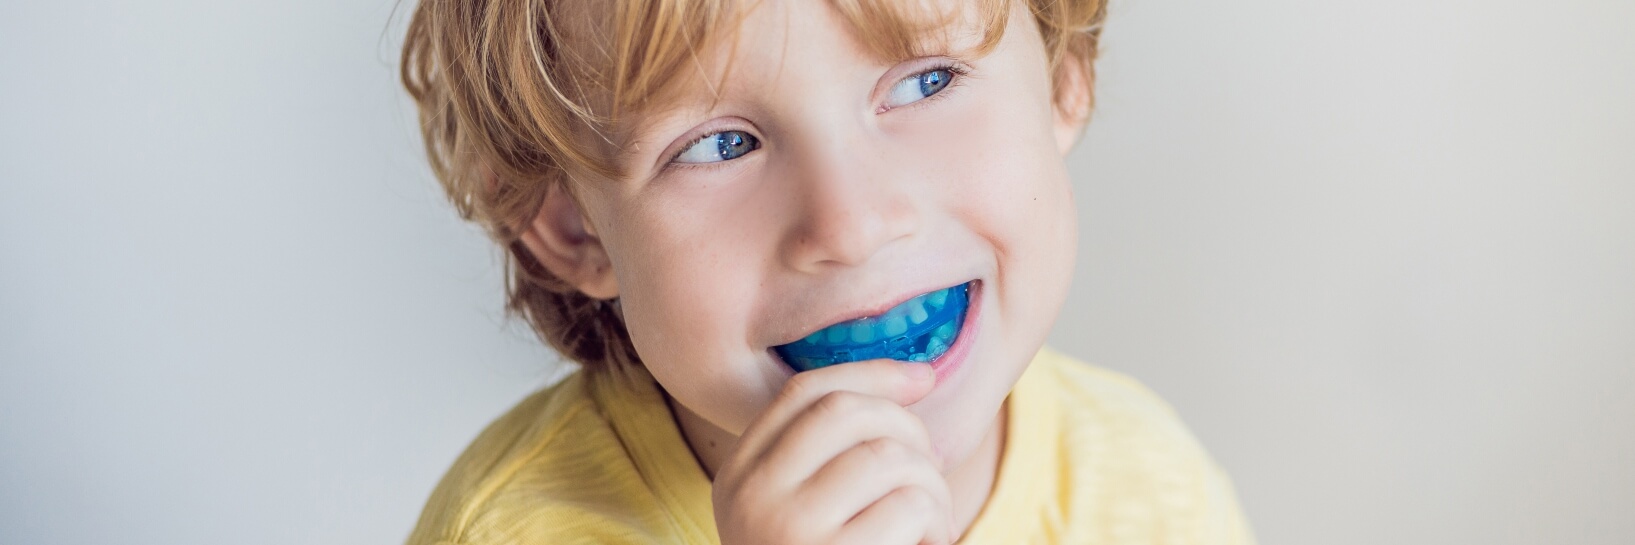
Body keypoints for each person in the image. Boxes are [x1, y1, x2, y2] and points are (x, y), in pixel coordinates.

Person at [399, 0, 1253, 543]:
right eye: (719, 146)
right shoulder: (512, 531)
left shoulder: (1152, 485)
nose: (849, 224)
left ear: (1065, 76)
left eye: (925, 82)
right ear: (572, 227)